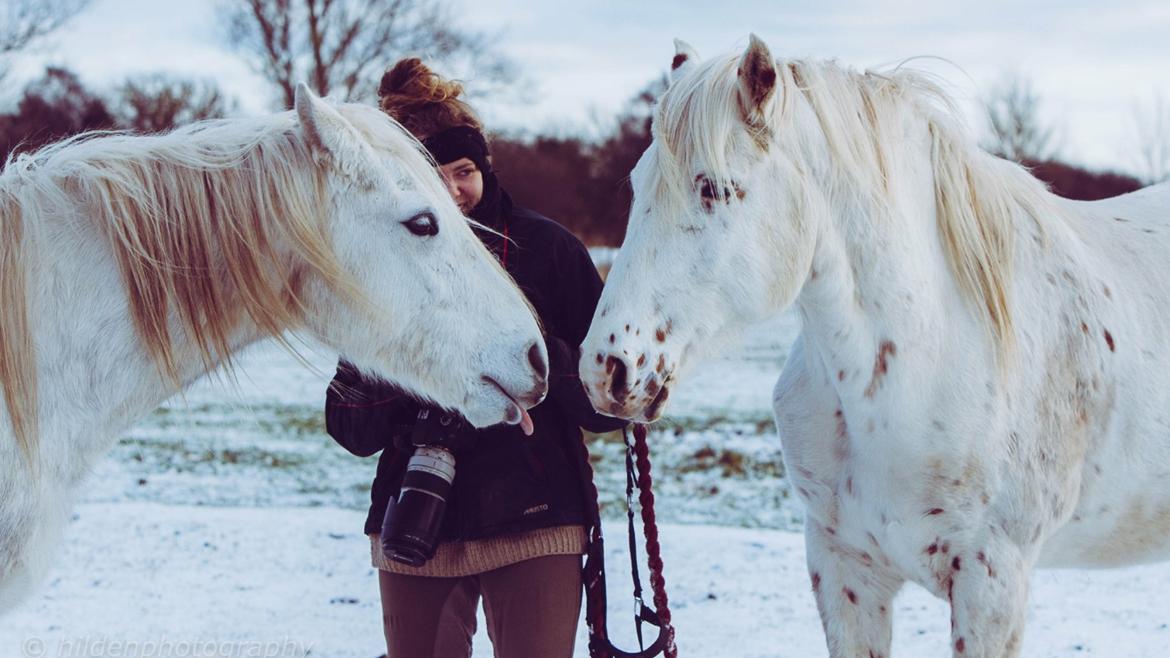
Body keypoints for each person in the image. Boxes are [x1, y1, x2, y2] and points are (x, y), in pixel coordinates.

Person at [324, 57, 626, 658]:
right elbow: (353, 430)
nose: (454, 191)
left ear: (484, 167)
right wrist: (385, 353)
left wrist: (528, 348)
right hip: (416, 517)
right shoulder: (380, 262)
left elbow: (609, 405)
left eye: (463, 171)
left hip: (536, 519)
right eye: (432, 176)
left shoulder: (548, 251)